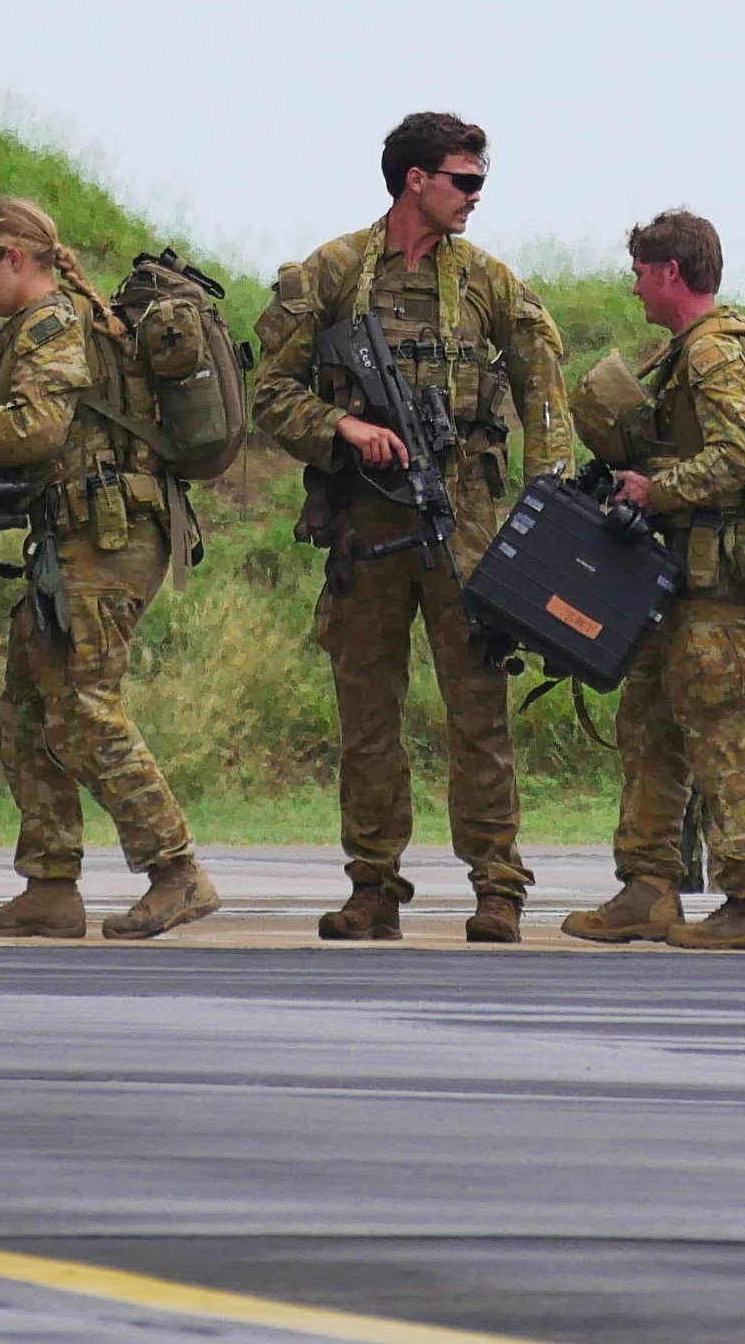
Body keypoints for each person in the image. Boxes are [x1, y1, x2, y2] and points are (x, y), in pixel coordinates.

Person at [249, 115, 569, 944]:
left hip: (463, 519)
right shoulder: (335, 272)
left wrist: (548, 500)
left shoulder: (487, 281)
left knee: (479, 710)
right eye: (463, 181)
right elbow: (269, 391)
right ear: (414, 180)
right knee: (368, 713)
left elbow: (543, 382)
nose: (474, 197)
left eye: (478, 182)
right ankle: (374, 885)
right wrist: (342, 429)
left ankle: (498, 886)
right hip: (366, 520)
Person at [0, 196, 217, 943]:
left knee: (84, 706)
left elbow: (37, 428)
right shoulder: (43, 326)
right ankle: (50, 888)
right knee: (22, 713)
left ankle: (176, 872)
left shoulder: (51, 325)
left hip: (106, 538)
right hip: (76, 535)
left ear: (16, 259)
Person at [564, 210, 745, 950]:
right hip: (674, 587)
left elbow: (741, 454)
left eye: (639, 272)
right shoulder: (689, 351)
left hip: (716, 584)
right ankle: (648, 888)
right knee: (650, 727)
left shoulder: (715, 353)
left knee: (729, 736)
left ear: (669, 272)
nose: (633, 287)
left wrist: (652, 491)